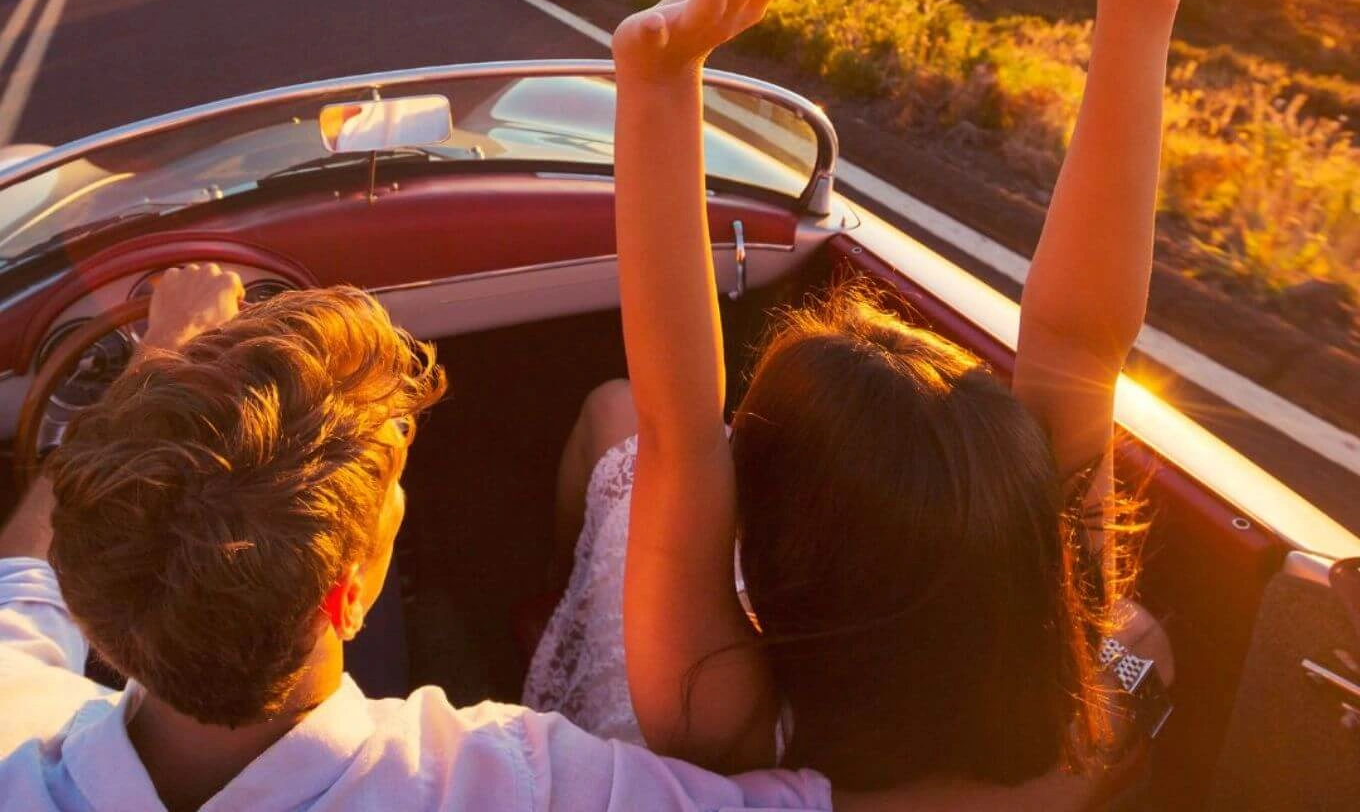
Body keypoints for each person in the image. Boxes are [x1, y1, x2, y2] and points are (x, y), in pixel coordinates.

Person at [525, 0, 1356, 790]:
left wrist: (660, 75)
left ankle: (551, 607)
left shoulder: (717, 723)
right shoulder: (1083, 685)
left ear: (762, 550)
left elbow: (676, 433)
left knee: (613, 414)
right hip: (1044, 676)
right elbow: (1078, 337)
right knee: (1139, 642)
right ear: (1028, 563)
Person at [0, 265, 1111, 811]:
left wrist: (154, 385)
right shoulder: (525, 781)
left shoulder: (14, 711)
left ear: (98, 603)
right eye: (392, 498)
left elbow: (22, 571)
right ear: (351, 596)